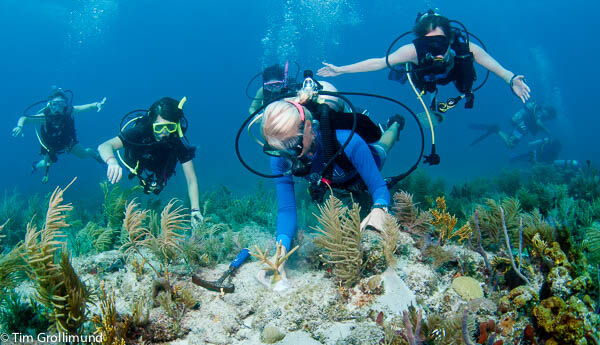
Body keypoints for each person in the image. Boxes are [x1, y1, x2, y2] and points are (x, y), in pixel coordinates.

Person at [257, 84, 405, 290]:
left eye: (295, 148)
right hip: (329, 180)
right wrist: (280, 254)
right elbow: (287, 209)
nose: (291, 158)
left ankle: (395, 124)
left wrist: (380, 207)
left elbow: (378, 187)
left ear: (309, 127)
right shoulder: (281, 159)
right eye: (280, 151)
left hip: (355, 168)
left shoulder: (349, 142)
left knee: (383, 147)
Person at [317, 10, 531, 106]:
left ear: (449, 38)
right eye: (429, 43)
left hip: (453, 71)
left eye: (440, 42)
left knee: (465, 82)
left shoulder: (462, 46)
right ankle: (431, 95)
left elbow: (494, 65)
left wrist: (511, 79)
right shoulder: (412, 51)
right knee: (422, 83)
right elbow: (379, 62)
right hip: (426, 75)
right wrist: (341, 69)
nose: (436, 49)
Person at [97, 97, 203, 228]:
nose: (164, 133)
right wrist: (112, 162)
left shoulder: (177, 142)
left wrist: (195, 210)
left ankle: (156, 182)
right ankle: (101, 160)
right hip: (136, 162)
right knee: (111, 160)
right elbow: (104, 146)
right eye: (159, 128)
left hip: (161, 166)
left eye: (170, 127)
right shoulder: (140, 131)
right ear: (152, 124)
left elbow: (191, 179)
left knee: (159, 181)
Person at [11, 88, 107, 183]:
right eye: (54, 104)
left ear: (65, 104)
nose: (57, 108)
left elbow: (88, 107)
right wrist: (19, 126)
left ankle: (96, 156)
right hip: (51, 147)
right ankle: (35, 166)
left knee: (84, 155)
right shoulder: (44, 117)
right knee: (46, 163)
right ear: (49, 104)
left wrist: (97, 105)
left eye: (61, 104)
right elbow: (25, 118)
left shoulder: (69, 112)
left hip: (67, 142)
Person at [469, 101, 556, 148]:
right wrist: (548, 131)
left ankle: (496, 129)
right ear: (548, 112)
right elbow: (538, 122)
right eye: (550, 117)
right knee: (511, 144)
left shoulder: (538, 111)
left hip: (521, 125)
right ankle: (496, 129)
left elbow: (536, 124)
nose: (548, 119)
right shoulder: (540, 112)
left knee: (510, 143)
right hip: (522, 126)